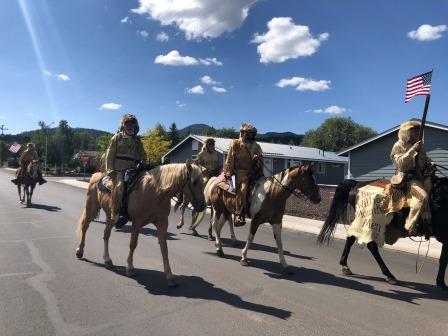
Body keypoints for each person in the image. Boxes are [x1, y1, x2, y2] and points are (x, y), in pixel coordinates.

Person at [390, 120, 435, 236]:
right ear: (407, 132)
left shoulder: (419, 144)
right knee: (423, 197)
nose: (418, 135)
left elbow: (425, 158)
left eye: (419, 132)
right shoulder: (399, 145)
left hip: (423, 175)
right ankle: (409, 225)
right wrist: (413, 150)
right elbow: (400, 163)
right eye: (415, 132)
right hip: (408, 178)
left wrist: (431, 163)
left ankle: (428, 221)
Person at [105, 114, 147, 228]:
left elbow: (143, 154)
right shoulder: (117, 138)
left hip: (133, 169)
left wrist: (144, 161)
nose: (130, 126)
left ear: (135, 126)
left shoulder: (137, 140)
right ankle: (117, 213)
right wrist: (110, 170)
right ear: (123, 125)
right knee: (120, 187)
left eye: (132, 124)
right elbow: (110, 155)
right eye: (127, 124)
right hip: (119, 169)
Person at [223, 123, 263, 226]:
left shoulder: (257, 146)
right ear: (242, 133)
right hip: (240, 173)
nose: (250, 135)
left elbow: (261, 160)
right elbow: (230, 159)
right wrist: (228, 172)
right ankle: (239, 214)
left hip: (254, 172)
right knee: (243, 189)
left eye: (252, 133)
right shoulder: (235, 144)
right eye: (248, 133)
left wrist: (257, 159)